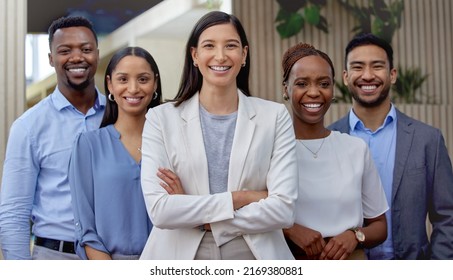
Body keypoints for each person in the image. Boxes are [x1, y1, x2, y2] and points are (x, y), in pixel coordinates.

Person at [139, 11, 298, 260]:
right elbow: (160, 210)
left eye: (231, 46)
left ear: (244, 55)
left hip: (253, 252)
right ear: (195, 55)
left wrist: (205, 218)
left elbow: (284, 210)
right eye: (209, 46)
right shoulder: (161, 119)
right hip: (179, 254)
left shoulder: (274, 116)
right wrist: (242, 197)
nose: (221, 56)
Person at [329, 33, 453, 259]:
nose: (367, 76)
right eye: (358, 67)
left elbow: (447, 217)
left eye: (377, 66)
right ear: (346, 77)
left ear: (392, 74)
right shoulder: (328, 138)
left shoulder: (428, 139)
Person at [0, 16, 105, 260]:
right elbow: (14, 212)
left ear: (97, 54)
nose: (77, 57)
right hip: (55, 257)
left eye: (86, 49)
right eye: (65, 50)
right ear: (50, 59)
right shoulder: (28, 127)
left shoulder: (120, 115)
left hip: (117, 256)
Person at [281, 43, 388, 260]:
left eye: (323, 83)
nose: (314, 92)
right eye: (302, 83)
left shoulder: (355, 149)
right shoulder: (272, 151)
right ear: (286, 89)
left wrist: (355, 235)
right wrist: (290, 229)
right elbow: (250, 214)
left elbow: (380, 226)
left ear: (333, 89)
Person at [68, 47, 161, 260]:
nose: (133, 88)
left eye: (143, 79)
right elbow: (86, 229)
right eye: (123, 79)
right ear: (110, 84)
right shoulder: (88, 145)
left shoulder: (172, 143)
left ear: (155, 83)